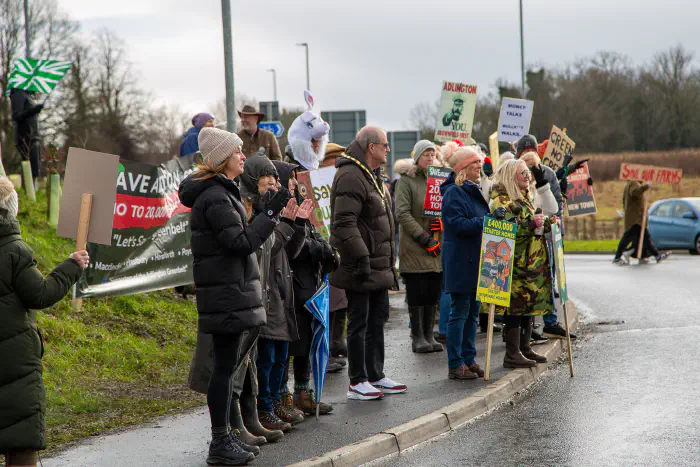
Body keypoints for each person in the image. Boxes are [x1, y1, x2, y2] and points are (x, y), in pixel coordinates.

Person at [178, 127, 289, 465]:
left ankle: (225, 437)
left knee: (227, 369)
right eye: (238, 152)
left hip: (230, 292)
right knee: (223, 371)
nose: (244, 156)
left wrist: (264, 214)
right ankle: (219, 442)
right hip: (225, 294)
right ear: (223, 159)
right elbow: (240, 243)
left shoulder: (220, 192)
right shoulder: (214, 196)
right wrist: (268, 215)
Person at [0, 177, 89, 467]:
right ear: (10, 209)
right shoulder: (14, 249)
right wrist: (71, 267)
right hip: (14, 359)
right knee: (21, 444)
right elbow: (39, 294)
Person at [330, 126, 405, 401]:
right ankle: (357, 380)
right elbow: (344, 222)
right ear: (371, 147)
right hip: (360, 264)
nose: (387, 149)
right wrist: (361, 256)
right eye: (384, 145)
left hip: (379, 264)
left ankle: (376, 374)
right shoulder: (350, 174)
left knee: (377, 319)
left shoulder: (373, 174)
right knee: (359, 322)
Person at [236, 154, 310, 431]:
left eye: (277, 184)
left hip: (281, 293)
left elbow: (289, 251)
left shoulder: (274, 211)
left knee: (280, 357)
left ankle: (276, 402)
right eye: (269, 184)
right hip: (265, 294)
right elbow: (266, 247)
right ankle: (264, 407)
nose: (278, 189)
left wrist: (297, 224)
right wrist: (284, 223)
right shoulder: (255, 212)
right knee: (265, 360)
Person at [272, 160, 340, 418]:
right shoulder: (279, 207)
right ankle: (283, 396)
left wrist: (329, 251)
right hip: (292, 285)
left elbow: (313, 233)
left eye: (293, 179)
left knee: (307, 341)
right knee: (292, 345)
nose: (292, 183)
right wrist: (319, 250)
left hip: (310, 285)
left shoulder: (301, 202)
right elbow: (291, 246)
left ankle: (304, 393)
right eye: (288, 179)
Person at [491, 159, 557, 369]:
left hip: (530, 263)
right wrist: (530, 225)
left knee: (527, 305)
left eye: (528, 172)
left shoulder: (525, 196)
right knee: (515, 308)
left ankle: (525, 347)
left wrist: (547, 224)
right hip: (514, 263)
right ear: (512, 176)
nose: (528, 175)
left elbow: (533, 222)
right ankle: (512, 353)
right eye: (522, 172)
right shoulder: (502, 200)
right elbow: (504, 230)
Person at [440, 142, 491, 380]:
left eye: (480, 163)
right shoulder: (453, 192)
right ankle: (455, 363)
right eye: (475, 163)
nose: (480, 166)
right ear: (463, 168)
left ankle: (469, 359)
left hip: (475, 261)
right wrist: (487, 221)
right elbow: (458, 225)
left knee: (472, 313)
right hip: (462, 261)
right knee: (459, 313)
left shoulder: (472, 190)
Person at [393, 140, 443, 354]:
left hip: (435, 244)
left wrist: (439, 223)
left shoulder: (437, 180)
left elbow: (442, 205)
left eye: (433, 155)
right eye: (426, 155)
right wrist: (423, 237)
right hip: (415, 245)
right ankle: (418, 336)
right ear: (417, 157)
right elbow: (402, 213)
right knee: (417, 290)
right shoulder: (406, 180)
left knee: (433, 290)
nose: (430, 158)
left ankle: (429, 334)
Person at [613, 180, 670, 265]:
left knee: (643, 238)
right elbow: (634, 192)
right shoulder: (633, 183)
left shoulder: (632, 184)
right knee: (631, 238)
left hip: (636, 218)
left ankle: (653, 255)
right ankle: (618, 257)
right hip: (635, 219)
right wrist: (645, 187)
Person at [10, 89, 43, 186]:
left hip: (34, 137)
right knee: (29, 168)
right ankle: (29, 193)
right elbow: (16, 115)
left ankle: (33, 193)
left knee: (35, 168)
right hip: (26, 138)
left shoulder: (29, 95)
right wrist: (33, 110)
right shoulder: (18, 93)